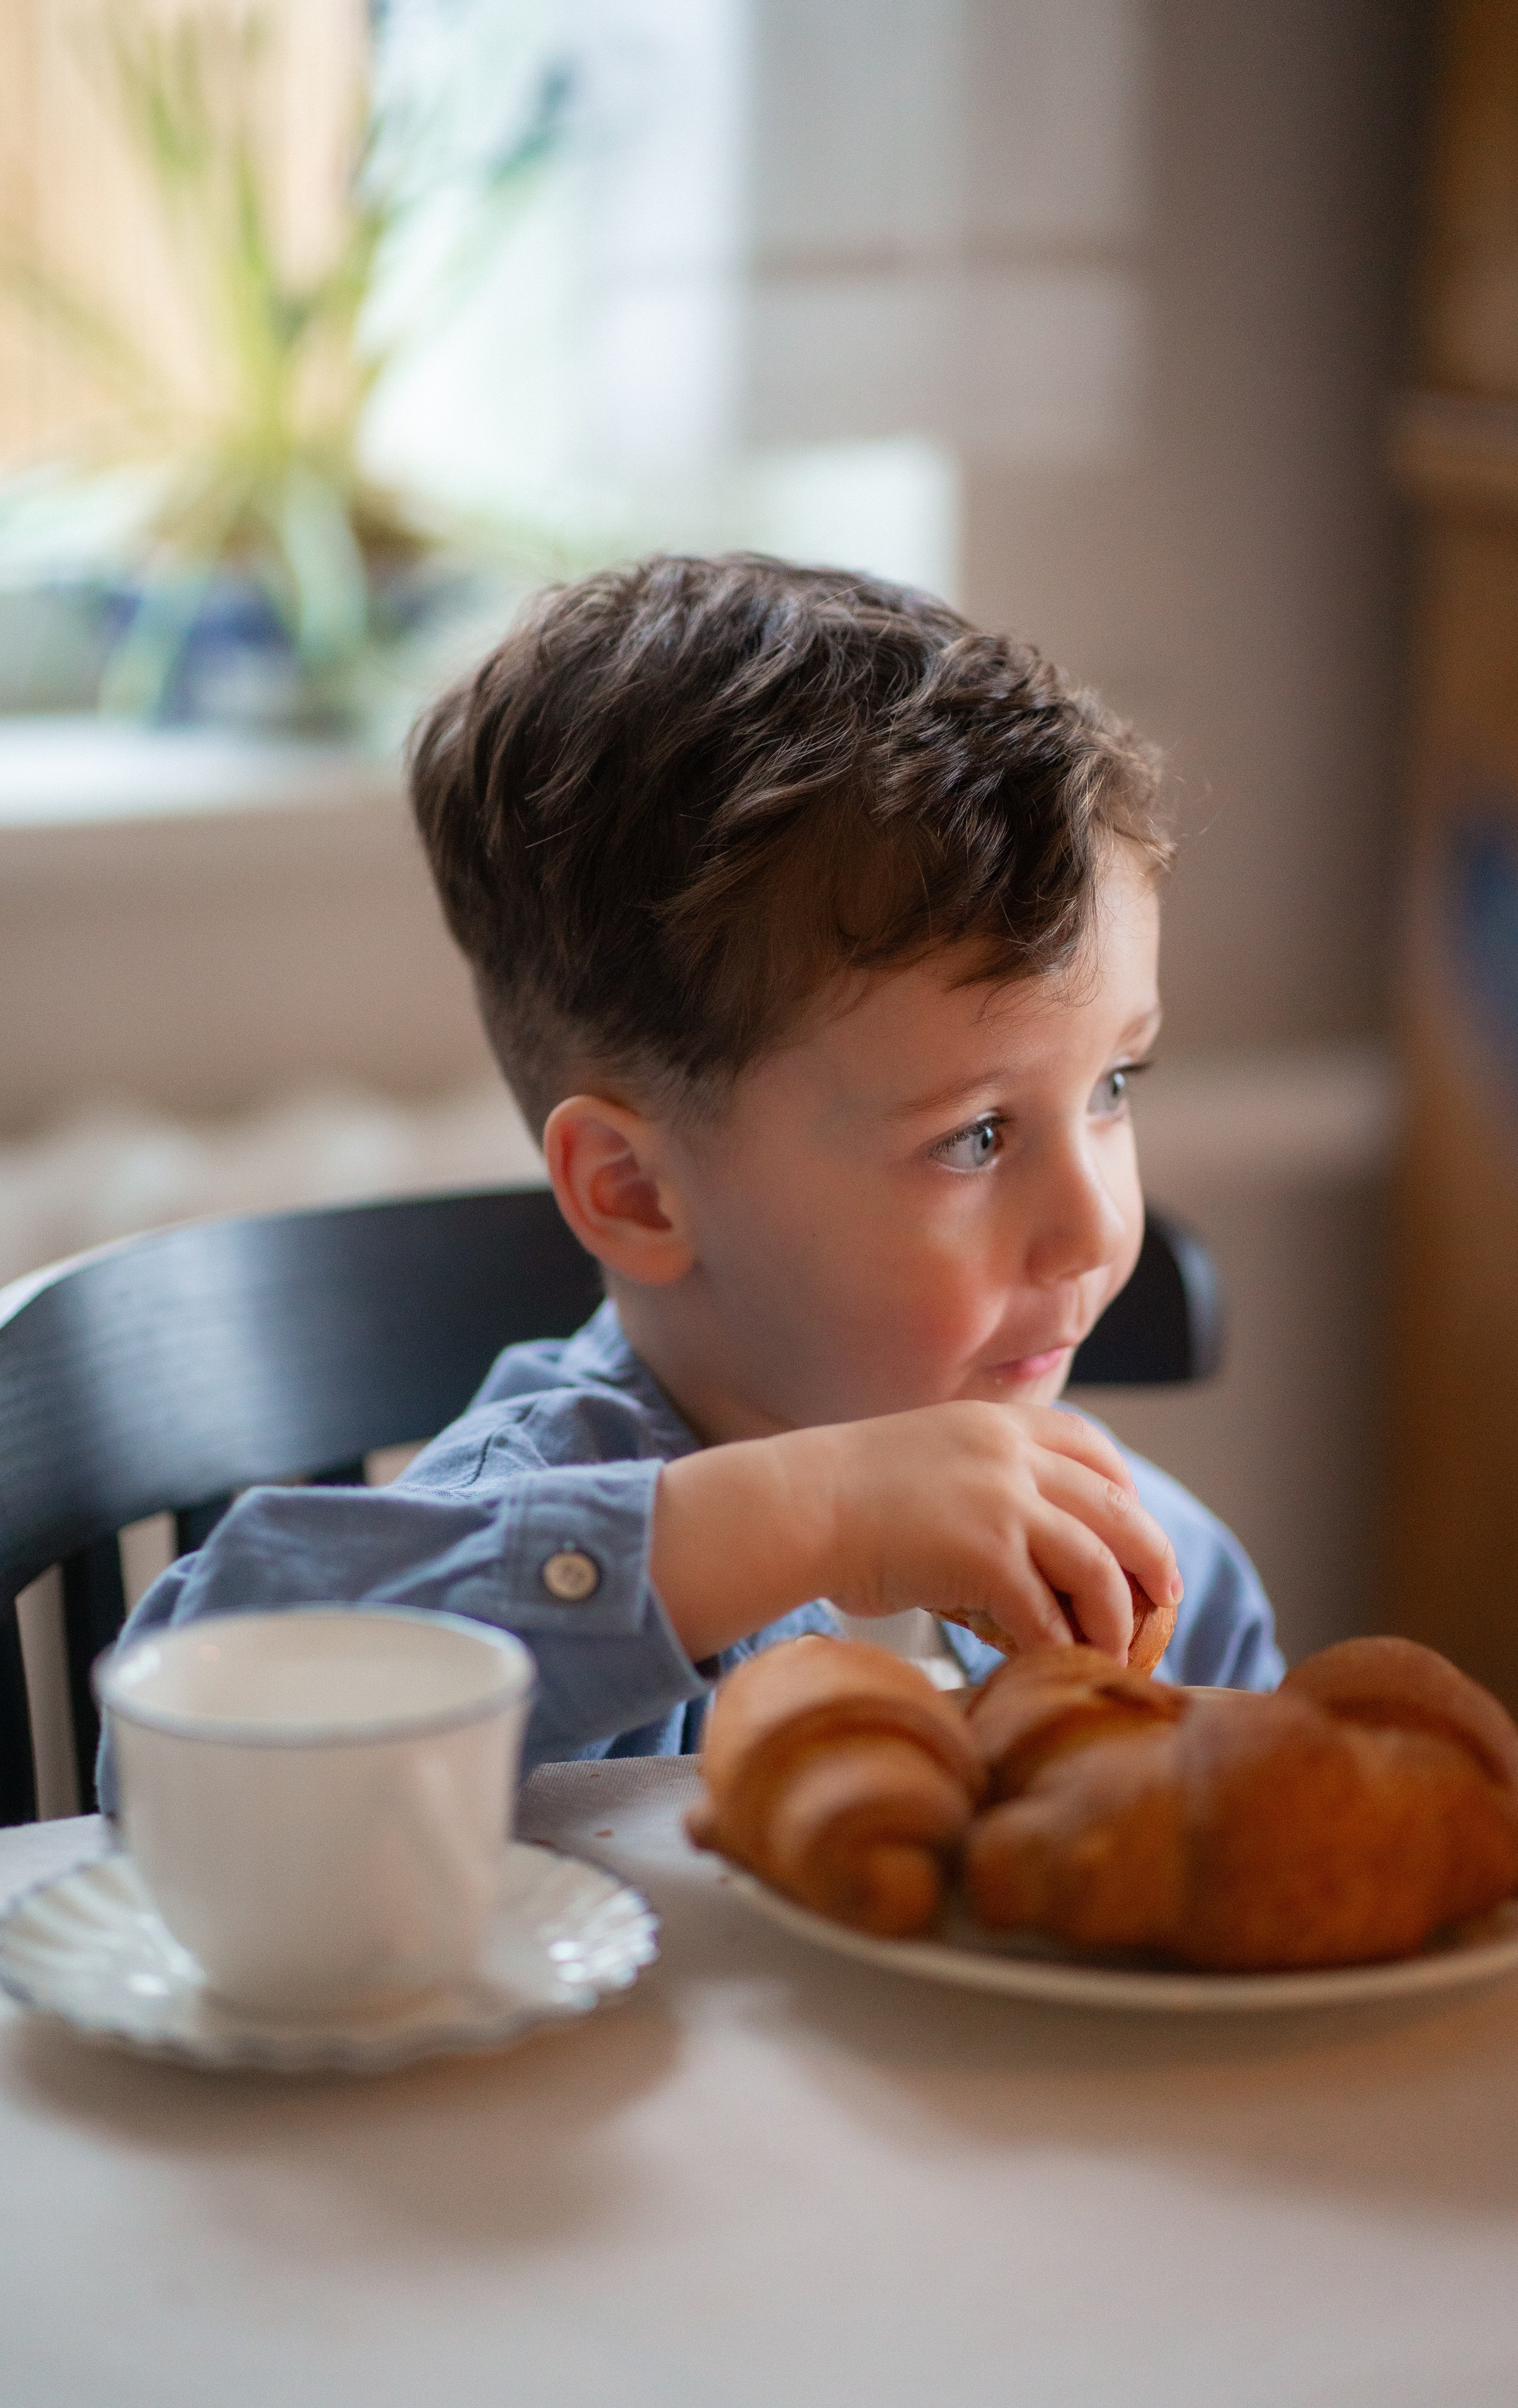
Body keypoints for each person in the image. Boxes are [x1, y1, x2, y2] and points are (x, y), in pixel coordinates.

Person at [100, 553, 1280, 1799]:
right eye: (974, 1137)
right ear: (634, 1193)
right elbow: (175, 1747)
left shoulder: (1157, 1575)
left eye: (1111, 1087)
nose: (1095, 1226)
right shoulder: (530, 1514)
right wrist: (819, 1516)